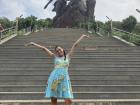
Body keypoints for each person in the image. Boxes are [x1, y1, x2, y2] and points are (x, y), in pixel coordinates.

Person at [25, 34, 90, 105]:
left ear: (63, 49)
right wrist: (33, 43)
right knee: (53, 98)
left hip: (64, 78)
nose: (59, 51)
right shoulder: (55, 57)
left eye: (59, 49)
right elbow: (44, 48)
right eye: (57, 51)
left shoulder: (68, 56)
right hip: (54, 78)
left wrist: (82, 36)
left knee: (68, 100)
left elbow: (75, 45)